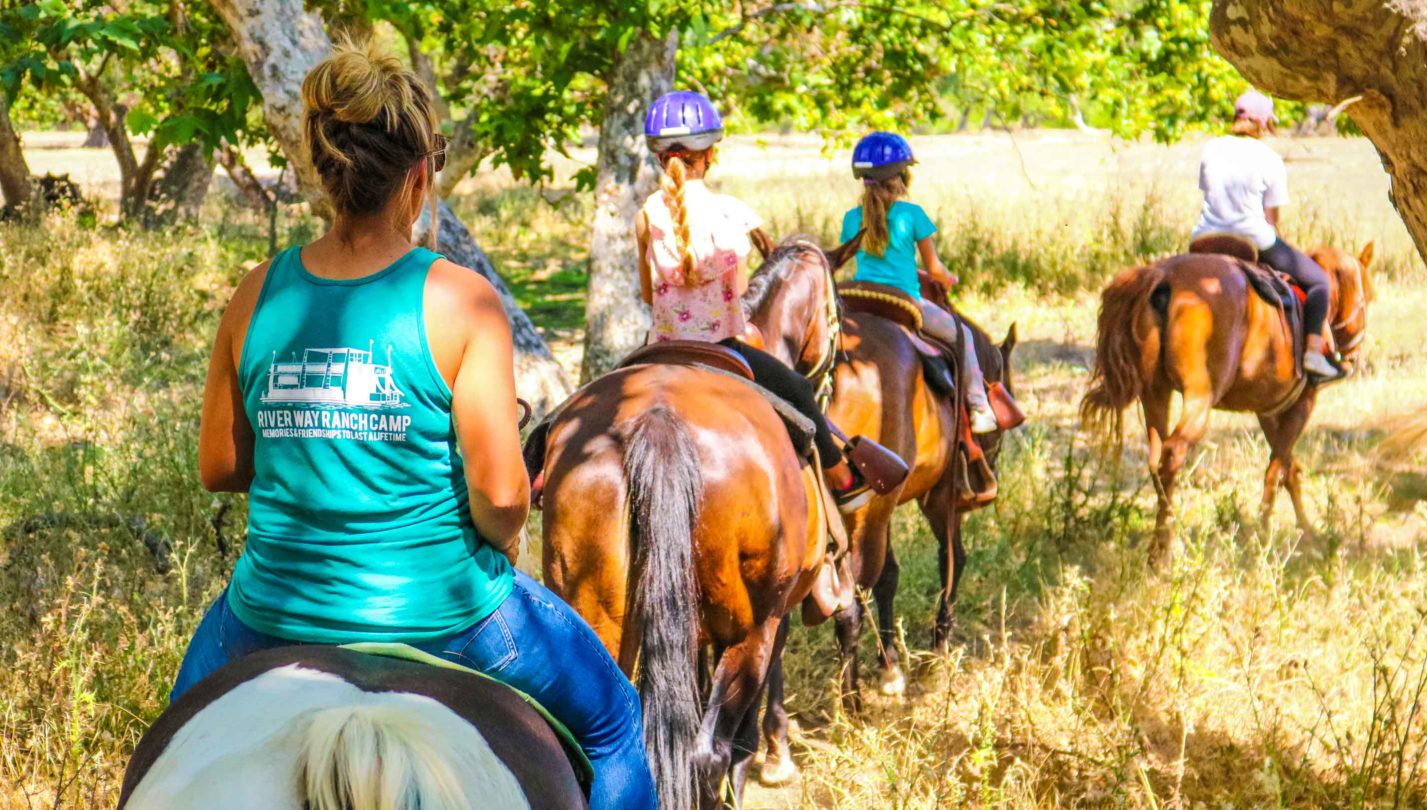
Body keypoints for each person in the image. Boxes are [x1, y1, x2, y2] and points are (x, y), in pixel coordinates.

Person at [173, 41, 655, 809]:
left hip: (269, 612)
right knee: (615, 724)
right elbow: (501, 501)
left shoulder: (256, 293)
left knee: (174, 738)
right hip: (446, 614)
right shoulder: (462, 301)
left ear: (322, 172)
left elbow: (220, 467)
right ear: (419, 176)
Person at [635, 90, 870, 513]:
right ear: (710, 155)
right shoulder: (732, 214)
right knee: (797, 389)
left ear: (658, 158)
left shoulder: (647, 213)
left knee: (599, 396)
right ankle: (842, 477)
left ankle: (540, 470)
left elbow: (647, 294)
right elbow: (740, 290)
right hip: (721, 348)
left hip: (659, 348)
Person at [841, 132, 999, 433]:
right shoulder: (912, 215)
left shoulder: (852, 218)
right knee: (962, 334)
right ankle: (979, 406)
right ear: (901, 176)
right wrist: (947, 278)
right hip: (902, 302)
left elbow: (856, 258)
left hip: (859, 300)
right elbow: (934, 268)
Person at [1192, 90, 1342, 380]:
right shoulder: (1269, 158)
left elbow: (1209, 194)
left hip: (1204, 238)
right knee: (1319, 281)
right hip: (1252, 240)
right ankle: (1312, 353)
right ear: (1264, 123)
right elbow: (1270, 219)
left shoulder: (1211, 149)